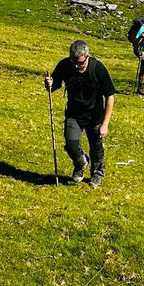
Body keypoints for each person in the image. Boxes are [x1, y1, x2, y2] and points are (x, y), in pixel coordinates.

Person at [44, 39, 115, 187]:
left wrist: (105, 124)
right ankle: (81, 162)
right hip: (74, 113)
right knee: (71, 144)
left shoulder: (98, 68)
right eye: (74, 62)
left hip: (95, 115)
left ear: (87, 57)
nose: (77, 66)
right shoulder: (64, 65)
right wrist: (49, 84)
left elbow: (110, 96)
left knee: (96, 146)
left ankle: (97, 174)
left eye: (81, 63)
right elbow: (55, 85)